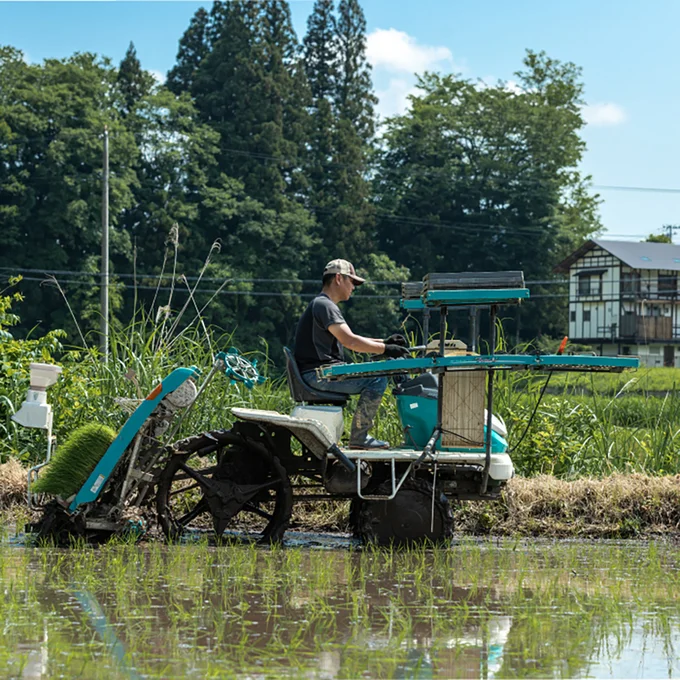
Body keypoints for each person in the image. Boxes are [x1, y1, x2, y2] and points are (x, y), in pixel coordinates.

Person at [294, 258, 410, 449]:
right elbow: (350, 342)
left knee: (376, 375)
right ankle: (360, 437)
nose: (354, 287)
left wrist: (384, 342)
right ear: (339, 278)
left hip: (320, 372)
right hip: (320, 375)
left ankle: (358, 436)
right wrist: (387, 349)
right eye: (352, 282)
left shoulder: (322, 304)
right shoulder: (325, 306)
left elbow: (351, 337)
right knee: (377, 379)